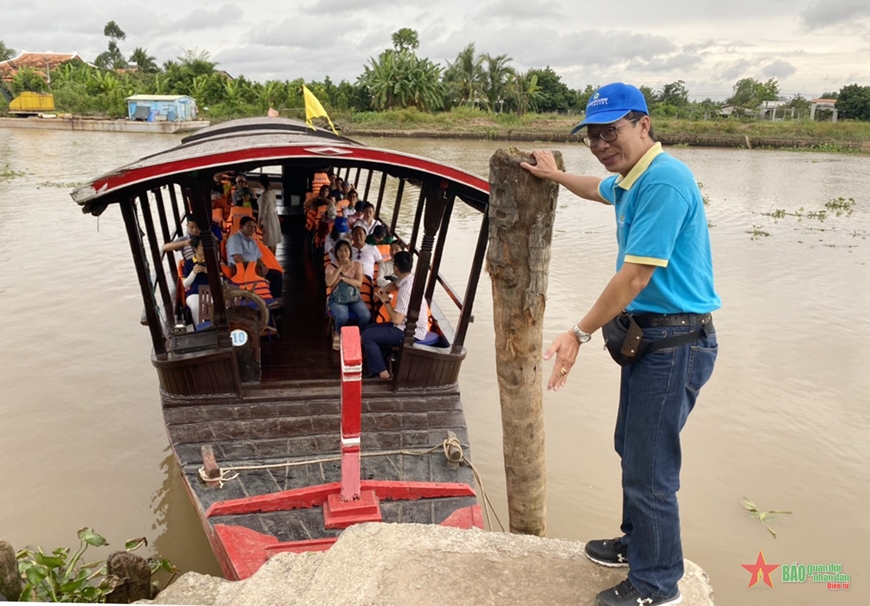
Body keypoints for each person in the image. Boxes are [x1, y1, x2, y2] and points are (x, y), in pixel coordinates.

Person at [520, 82, 720, 606]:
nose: (602, 144)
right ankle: (638, 545)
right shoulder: (633, 178)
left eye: (612, 131)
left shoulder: (664, 182)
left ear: (643, 125)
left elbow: (633, 278)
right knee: (631, 450)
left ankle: (658, 586)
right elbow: (596, 189)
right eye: (593, 135)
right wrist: (555, 174)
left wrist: (577, 334)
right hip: (652, 339)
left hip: (676, 341)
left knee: (651, 468)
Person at [361, 251, 429, 380]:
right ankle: (379, 364)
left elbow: (397, 320)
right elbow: (395, 284)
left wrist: (386, 301)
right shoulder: (409, 278)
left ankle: (382, 372)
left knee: (367, 336)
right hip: (406, 325)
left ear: (396, 268)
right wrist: (384, 289)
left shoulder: (405, 291)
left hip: (411, 331)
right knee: (370, 328)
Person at [325, 240, 371, 350]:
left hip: (354, 297)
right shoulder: (330, 267)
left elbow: (358, 283)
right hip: (338, 298)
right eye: (340, 251)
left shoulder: (357, 265)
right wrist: (339, 268)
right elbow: (329, 283)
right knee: (342, 316)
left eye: (346, 250)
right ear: (336, 253)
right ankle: (337, 333)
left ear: (350, 252)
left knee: (366, 315)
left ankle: (358, 333)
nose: (343, 253)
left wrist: (343, 279)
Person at [227, 215, 283, 303]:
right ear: (241, 227)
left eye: (254, 227)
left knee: (276, 274)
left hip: (255, 268)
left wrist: (263, 266)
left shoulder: (252, 241)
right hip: (242, 270)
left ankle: (274, 300)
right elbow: (236, 258)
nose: (252, 229)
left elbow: (258, 258)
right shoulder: (235, 239)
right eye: (249, 226)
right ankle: (265, 300)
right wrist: (251, 267)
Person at [180, 236, 211, 326]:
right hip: (195, 293)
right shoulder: (188, 263)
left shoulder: (212, 261)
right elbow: (185, 284)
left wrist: (209, 272)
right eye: (202, 246)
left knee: (219, 305)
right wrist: (193, 272)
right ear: (195, 248)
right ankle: (200, 328)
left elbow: (221, 280)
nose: (205, 248)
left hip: (211, 291)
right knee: (196, 307)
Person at [257, 175, 282, 254]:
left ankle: (271, 261)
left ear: (260, 183)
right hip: (273, 217)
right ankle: (273, 259)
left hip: (267, 219)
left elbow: (262, 212)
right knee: (273, 241)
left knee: (269, 241)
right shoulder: (272, 192)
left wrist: (259, 224)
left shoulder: (265, 195)